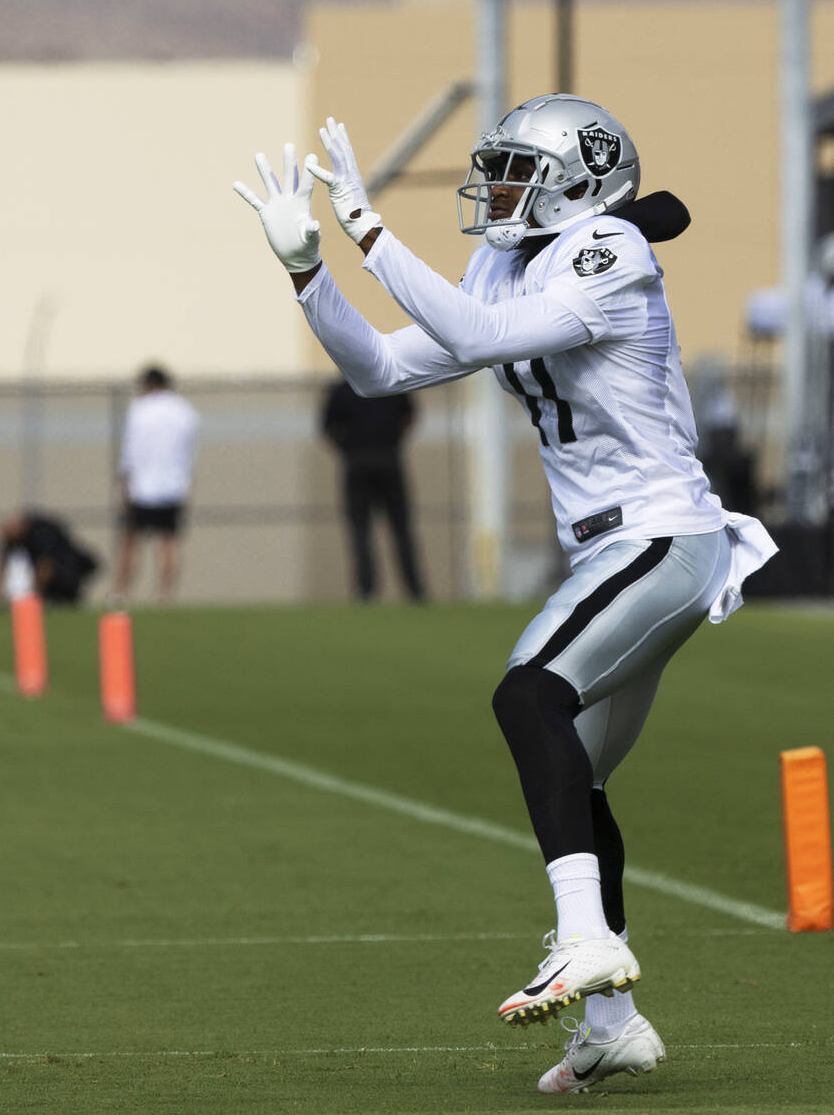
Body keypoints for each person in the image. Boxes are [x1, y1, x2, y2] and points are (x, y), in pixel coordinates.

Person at [235, 96, 777, 1095]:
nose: (496, 190)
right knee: (579, 773)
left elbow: (481, 337)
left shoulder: (607, 246)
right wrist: (308, 272)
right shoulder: (505, 258)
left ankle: (582, 940)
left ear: (581, 179)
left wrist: (365, 228)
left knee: (527, 694)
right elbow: (383, 367)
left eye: (519, 171)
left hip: (663, 536)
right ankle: (610, 1023)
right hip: (609, 556)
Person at [320, 378, 426, 601]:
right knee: (399, 530)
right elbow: (410, 418)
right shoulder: (390, 384)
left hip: (360, 463)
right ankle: (414, 592)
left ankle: (366, 592)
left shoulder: (341, 389)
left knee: (363, 531)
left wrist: (347, 450)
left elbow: (327, 430)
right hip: (385, 461)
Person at [113, 365, 199, 605]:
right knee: (168, 541)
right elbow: (189, 453)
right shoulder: (185, 411)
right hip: (173, 486)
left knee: (131, 542)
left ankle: (122, 594)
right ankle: (166, 595)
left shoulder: (139, 411)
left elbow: (130, 452)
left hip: (142, 487)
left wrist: (125, 485)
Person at [0, 509, 99, 606]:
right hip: (55, 570)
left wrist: (36, 594)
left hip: (71, 567)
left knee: (64, 597)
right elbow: (2, 564)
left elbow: (46, 565)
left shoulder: (41, 532)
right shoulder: (12, 539)